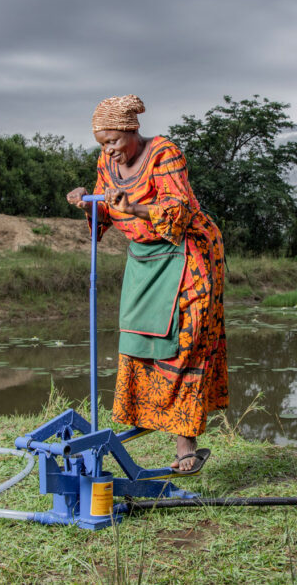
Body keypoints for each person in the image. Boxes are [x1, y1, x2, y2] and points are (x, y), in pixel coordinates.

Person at [66, 94, 228, 474]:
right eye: (102, 143)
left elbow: (180, 209)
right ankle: (149, 419)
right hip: (145, 258)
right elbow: (105, 206)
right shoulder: (107, 161)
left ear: (132, 131)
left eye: (114, 141)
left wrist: (135, 207)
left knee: (184, 345)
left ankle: (185, 445)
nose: (109, 150)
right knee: (138, 340)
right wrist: (87, 202)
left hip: (188, 253)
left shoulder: (164, 152)